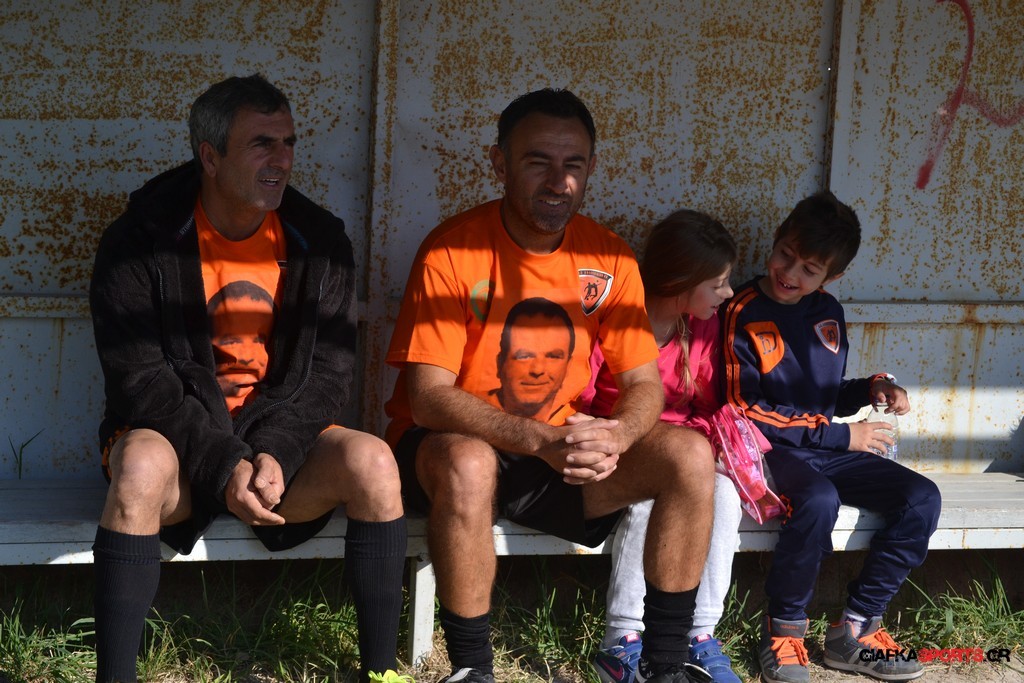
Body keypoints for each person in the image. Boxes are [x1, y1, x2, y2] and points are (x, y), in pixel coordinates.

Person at [384, 88, 715, 683]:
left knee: (689, 454)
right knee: (468, 463)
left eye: (573, 164)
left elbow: (644, 384)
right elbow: (427, 397)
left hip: (556, 451)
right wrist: (537, 439)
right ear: (499, 162)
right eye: (538, 161)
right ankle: (472, 669)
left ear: (591, 167)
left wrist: (617, 436)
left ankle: (665, 665)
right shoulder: (451, 251)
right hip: (454, 445)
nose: (559, 181)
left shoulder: (610, 257)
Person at [89, 74, 406, 683]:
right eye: (262, 144)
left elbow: (330, 373)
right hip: (178, 449)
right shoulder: (139, 240)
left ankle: (382, 673)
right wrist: (224, 461)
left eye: (288, 143)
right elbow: (140, 380)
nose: (281, 159)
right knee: (139, 468)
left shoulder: (319, 241)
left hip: (274, 456)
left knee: (373, 462)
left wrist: (273, 451)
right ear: (210, 157)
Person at [721, 191, 941, 683]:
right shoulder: (741, 310)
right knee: (819, 500)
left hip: (825, 446)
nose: (789, 273)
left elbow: (825, 395)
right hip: (769, 452)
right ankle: (784, 634)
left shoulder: (828, 312)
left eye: (809, 269)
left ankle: (855, 630)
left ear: (832, 277)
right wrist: (843, 438)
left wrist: (872, 388)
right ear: (776, 242)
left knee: (922, 497)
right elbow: (744, 410)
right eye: (785, 255)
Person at [585, 210, 744, 683]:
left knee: (723, 493)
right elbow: (582, 398)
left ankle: (699, 633)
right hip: (616, 450)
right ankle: (623, 639)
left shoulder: (701, 326)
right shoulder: (617, 319)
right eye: (718, 283)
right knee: (653, 494)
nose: (728, 293)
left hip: (682, 450)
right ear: (680, 283)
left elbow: (706, 403)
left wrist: (710, 444)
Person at [492, 297, 576, 419]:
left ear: (568, 366)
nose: (537, 370)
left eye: (553, 357)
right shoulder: (470, 412)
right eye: (524, 356)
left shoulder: (577, 419)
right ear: (500, 363)